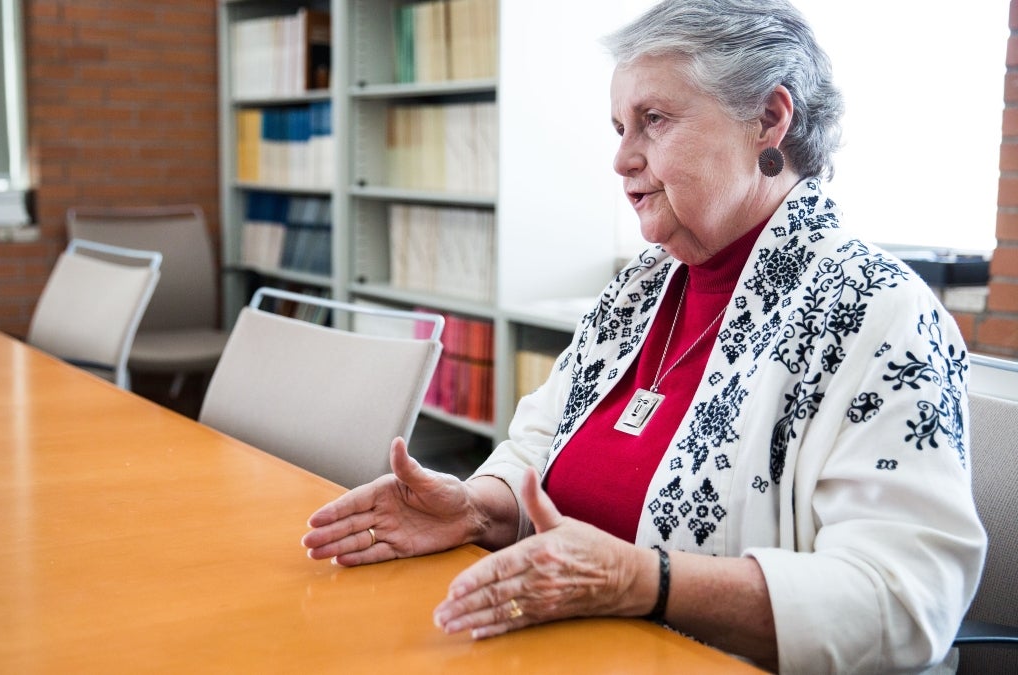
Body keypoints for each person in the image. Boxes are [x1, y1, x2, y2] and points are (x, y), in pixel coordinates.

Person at [301, 0, 987, 671]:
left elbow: (905, 601)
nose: (622, 158)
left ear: (769, 119)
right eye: (619, 126)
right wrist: (477, 510)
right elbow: (537, 446)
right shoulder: (642, 286)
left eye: (653, 120)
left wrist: (642, 581)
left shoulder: (880, 311)